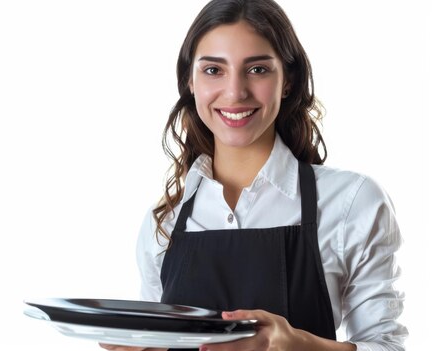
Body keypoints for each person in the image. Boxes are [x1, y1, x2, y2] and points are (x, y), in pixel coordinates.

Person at [99, 0, 407, 350]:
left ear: (288, 80)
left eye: (257, 69)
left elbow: (387, 345)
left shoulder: (351, 201)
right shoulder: (165, 223)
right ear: (191, 82)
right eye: (214, 70)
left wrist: (299, 346)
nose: (235, 92)